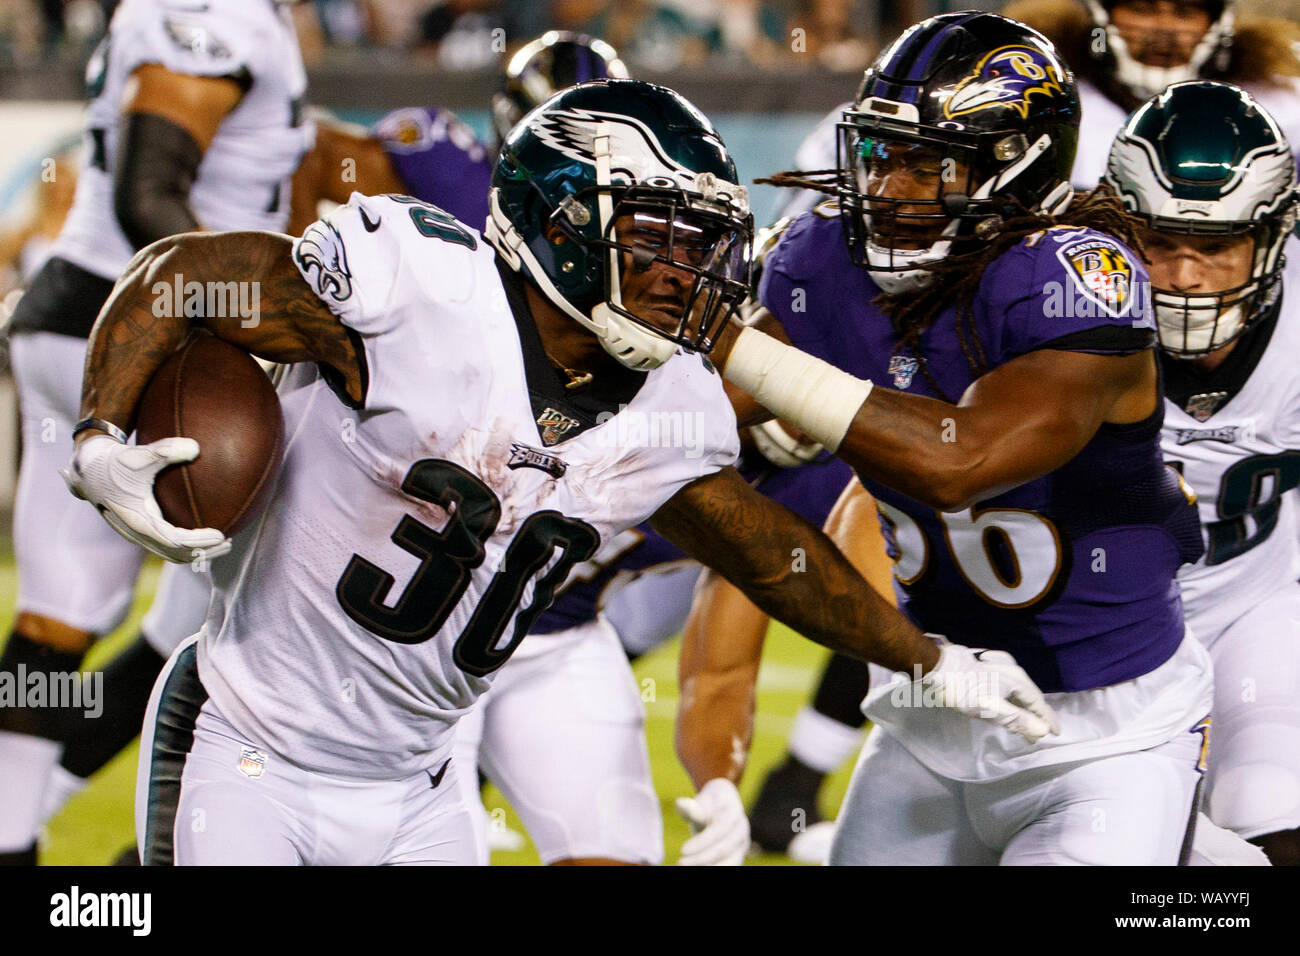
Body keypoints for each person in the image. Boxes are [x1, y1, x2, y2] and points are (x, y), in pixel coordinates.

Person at [63, 79, 1055, 865]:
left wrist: (928, 658)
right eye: (659, 239)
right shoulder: (421, 289)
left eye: (704, 244)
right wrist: (100, 433)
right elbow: (184, 278)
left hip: (420, 785)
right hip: (247, 750)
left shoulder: (663, 402)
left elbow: (771, 554)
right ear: (566, 222)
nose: (688, 275)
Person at [703, 11, 1213, 865]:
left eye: (931, 163)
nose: (894, 190)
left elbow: (957, 461)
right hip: (936, 707)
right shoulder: (821, 258)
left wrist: (737, 344)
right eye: (882, 155)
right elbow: (691, 420)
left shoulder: (1074, 278)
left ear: (1017, 167)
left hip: (1106, 728)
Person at [0, 0, 310, 866]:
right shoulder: (217, 14)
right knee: (246, 628)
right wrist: (271, 320)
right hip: (141, 335)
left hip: (72, 324)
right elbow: (150, 193)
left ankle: (12, 839)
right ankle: (159, 860)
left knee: (56, 623)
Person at [1104, 80, 1300, 865]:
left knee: (1270, 802)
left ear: (1273, 236)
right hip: (1099, 624)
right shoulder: (1055, 311)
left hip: (1253, 604)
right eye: (1158, 242)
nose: (1185, 275)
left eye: (1216, 245)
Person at [1002, 0, 1300, 184]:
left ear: (1216, 22)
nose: (1164, 28)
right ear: (1102, 13)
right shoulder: (1045, 99)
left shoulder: (1280, 108)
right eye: (1142, 8)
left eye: (1185, 10)